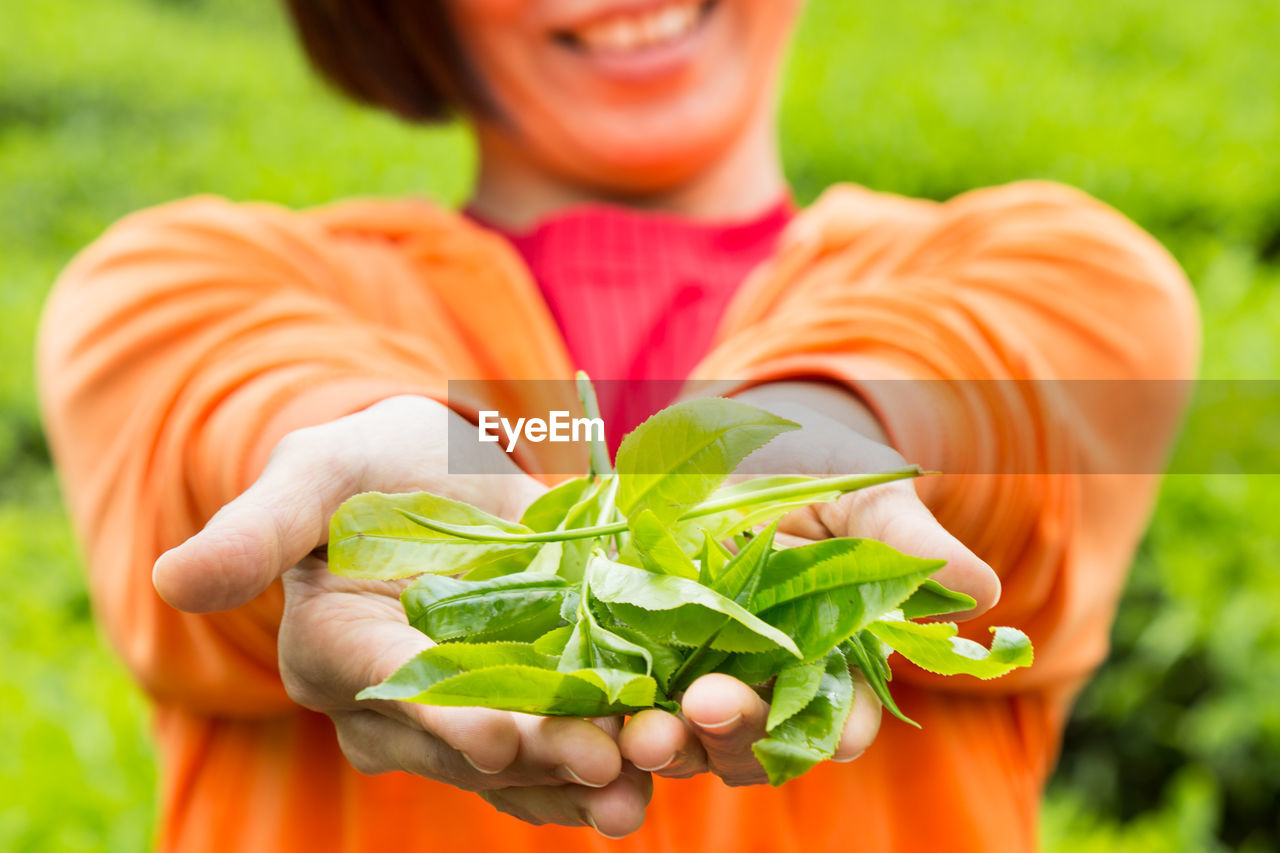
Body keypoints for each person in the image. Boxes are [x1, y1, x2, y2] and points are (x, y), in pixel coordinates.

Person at [36, 1, 1199, 851]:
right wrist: (365, 466)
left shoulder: (1065, 273)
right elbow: (232, 400)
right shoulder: (172, 281)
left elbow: (963, 375)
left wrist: (793, 441)